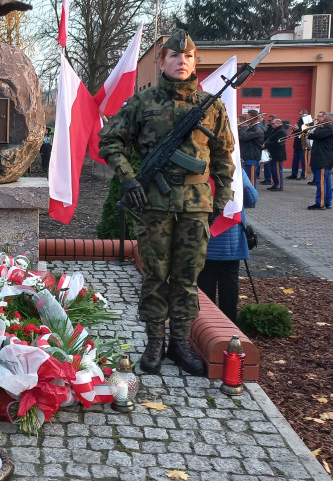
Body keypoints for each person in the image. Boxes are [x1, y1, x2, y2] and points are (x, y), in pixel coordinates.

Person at [99, 28, 235, 376]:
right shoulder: (143, 103)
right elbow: (109, 141)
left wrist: (220, 199)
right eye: (174, 56)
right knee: (156, 276)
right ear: (162, 61)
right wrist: (128, 179)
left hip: (195, 204)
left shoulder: (212, 106)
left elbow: (223, 157)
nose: (182, 61)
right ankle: (155, 341)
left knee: (188, 278)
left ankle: (181, 342)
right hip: (155, 202)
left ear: (195, 62)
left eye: (188, 56)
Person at [197, 171, 257, 321]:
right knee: (229, 281)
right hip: (231, 241)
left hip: (204, 237)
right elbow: (251, 198)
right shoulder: (235, 170)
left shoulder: (200, 167)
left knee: (205, 281)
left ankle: (206, 327)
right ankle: (229, 326)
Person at [307, 113, 333, 210]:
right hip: (327, 157)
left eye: (323, 120)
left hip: (323, 158)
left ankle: (320, 203)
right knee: (327, 181)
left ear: (328, 121)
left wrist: (318, 127)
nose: (321, 122)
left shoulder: (329, 129)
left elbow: (316, 134)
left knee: (320, 182)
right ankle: (327, 202)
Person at [238, 110, 265, 187]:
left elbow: (244, 137)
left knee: (251, 181)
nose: (247, 118)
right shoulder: (252, 127)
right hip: (248, 156)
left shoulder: (257, 129)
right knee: (248, 179)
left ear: (253, 118)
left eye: (248, 117)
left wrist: (243, 127)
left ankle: (252, 197)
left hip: (252, 156)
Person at [263, 116, 286, 191]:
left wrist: (267, 144)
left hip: (278, 154)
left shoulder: (281, 131)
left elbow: (278, 143)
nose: (271, 125)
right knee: (274, 170)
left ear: (278, 123)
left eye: (273, 123)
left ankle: (279, 185)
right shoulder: (275, 130)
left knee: (277, 171)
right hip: (274, 153)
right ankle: (275, 184)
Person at [288, 110, 309, 180]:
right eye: (299, 114)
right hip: (297, 142)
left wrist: (298, 129)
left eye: (301, 114)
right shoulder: (299, 121)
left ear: (305, 114)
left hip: (304, 143)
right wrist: (294, 129)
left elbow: (306, 131)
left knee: (303, 160)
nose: (299, 116)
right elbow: (297, 132)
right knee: (295, 160)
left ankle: (304, 174)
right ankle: (294, 174)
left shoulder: (308, 120)